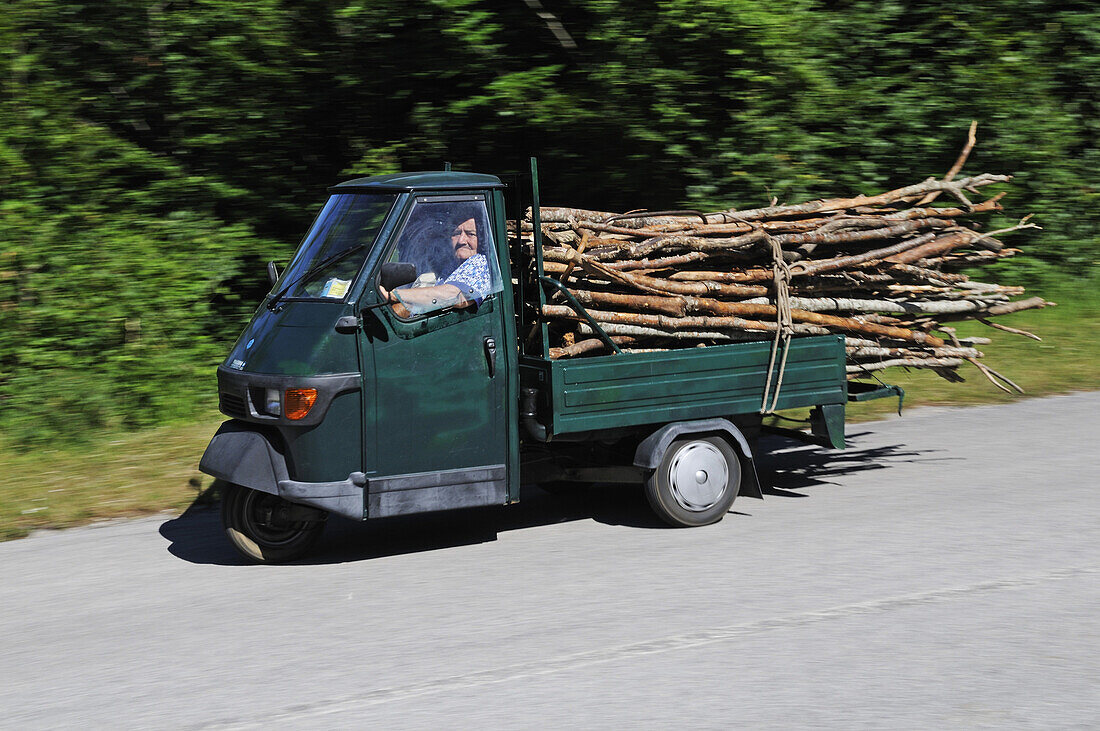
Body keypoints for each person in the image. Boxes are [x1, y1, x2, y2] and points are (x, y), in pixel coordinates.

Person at [379, 209, 493, 315]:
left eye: (470, 234)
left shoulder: (479, 264)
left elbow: (453, 296)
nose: (461, 240)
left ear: (481, 238)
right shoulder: (451, 262)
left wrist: (393, 296)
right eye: (456, 233)